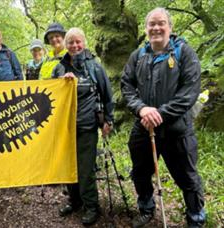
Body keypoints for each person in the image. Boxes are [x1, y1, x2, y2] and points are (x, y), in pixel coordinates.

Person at [120, 7, 206, 228]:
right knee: (140, 172)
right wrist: (141, 109)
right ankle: (146, 209)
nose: (156, 28)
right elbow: (126, 86)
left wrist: (158, 114)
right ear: (146, 28)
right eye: (151, 24)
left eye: (161, 23)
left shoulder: (184, 53)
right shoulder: (138, 56)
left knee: (187, 177)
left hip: (177, 129)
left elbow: (189, 93)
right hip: (143, 126)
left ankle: (196, 218)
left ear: (170, 27)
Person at [52, 28, 114, 225]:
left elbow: (107, 95)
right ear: (65, 45)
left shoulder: (95, 67)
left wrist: (108, 120)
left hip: (87, 126)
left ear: (84, 43)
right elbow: (49, 96)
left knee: (86, 169)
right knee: (68, 166)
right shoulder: (59, 68)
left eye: (78, 42)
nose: (75, 46)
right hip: (64, 128)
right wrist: (61, 84)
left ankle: (91, 206)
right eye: (70, 42)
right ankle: (74, 201)